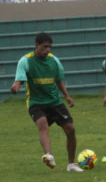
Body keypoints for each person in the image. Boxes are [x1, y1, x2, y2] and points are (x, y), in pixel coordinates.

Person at [10, 32, 83, 172]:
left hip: (55, 101)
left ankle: (71, 164)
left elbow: (59, 80)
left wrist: (67, 96)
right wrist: (16, 87)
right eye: (45, 46)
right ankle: (49, 156)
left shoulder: (54, 61)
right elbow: (18, 80)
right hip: (36, 102)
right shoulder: (25, 61)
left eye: (50, 47)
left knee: (71, 130)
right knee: (43, 125)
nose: (48, 49)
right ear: (36, 45)